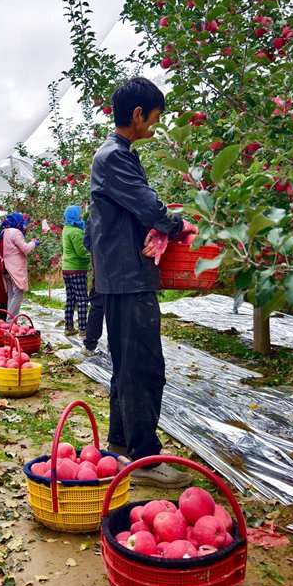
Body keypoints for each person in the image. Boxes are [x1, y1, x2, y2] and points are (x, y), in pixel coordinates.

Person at [86, 77, 198, 488]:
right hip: (128, 278)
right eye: (154, 117)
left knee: (128, 366)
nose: (156, 124)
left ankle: (121, 445)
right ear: (137, 114)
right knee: (145, 368)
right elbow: (149, 207)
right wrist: (179, 225)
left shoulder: (116, 155)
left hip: (121, 276)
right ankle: (145, 459)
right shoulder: (115, 157)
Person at [0, 212, 38, 317]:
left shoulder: (3, 232)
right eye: (22, 222)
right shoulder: (15, 232)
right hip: (14, 268)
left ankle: (9, 320)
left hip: (5, 267)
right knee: (18, 293)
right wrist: (34, 243)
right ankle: (11, 320)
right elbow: (25, 249)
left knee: (11, 294)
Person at [61, 205, 90, 336]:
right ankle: (83, 329)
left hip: (67, 268)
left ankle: (68, 327)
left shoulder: (66, 229)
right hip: (77, 269)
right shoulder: (76, 232)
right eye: (79, 214)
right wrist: (93, 255)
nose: (81, 216)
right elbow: (81, 252)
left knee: (71, 299)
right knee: (82, 299)